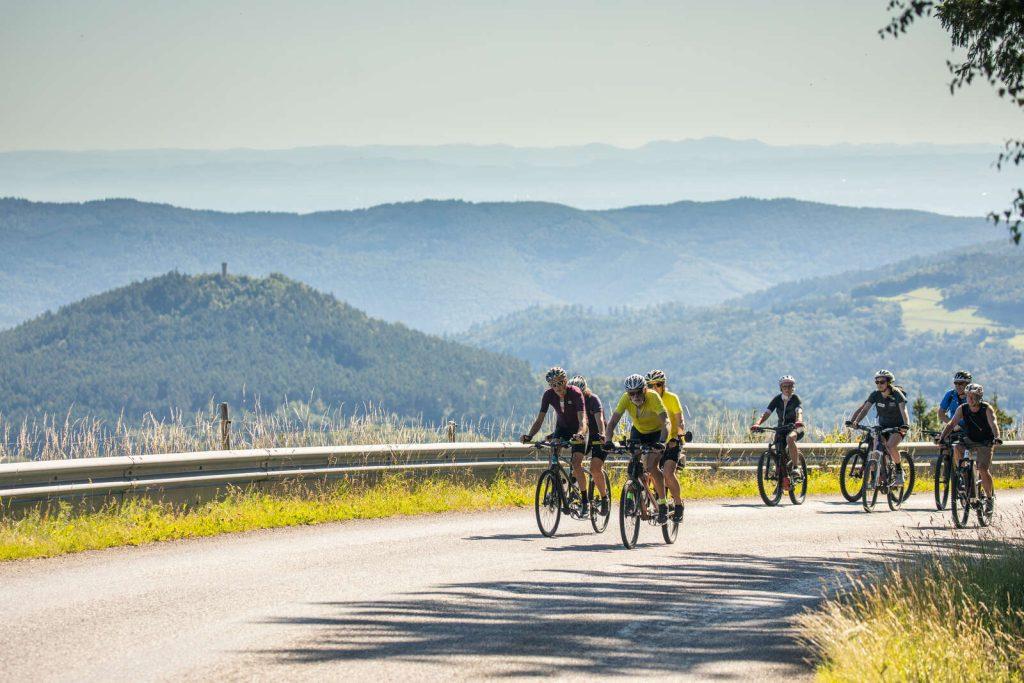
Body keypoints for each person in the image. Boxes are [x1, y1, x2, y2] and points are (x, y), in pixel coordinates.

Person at [521, 367, 590, 512]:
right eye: (553, 384)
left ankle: (585, 501)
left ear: (565, 381)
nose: (557, 387)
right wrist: (530, 436)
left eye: (560, 383)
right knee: (553, 454)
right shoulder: (548, 395)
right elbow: (540, 419)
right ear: (550, 386)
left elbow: (583, 419)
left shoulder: (576, 393)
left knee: (576, 464)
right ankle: (555, 479)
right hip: (562, 429)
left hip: (578, 431)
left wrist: (581, 434)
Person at [604, 373, 671, 524]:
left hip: (656, 433)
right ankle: (630, 498)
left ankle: (662, 504)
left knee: (652, 466)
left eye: (638, 392)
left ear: (645, 390)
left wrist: (662, 441)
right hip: (639, 432)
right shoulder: (625, 399)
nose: (635, 396)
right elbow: (613, 421)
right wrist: (608, 441)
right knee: (633, 465)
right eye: (631, 393)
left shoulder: (653, 397)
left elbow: (665, 421)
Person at [937, 382, 1001, 514]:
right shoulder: (962, 408)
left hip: (984, 443)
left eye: (973, 396)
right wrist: (942, 437)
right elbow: (951, 423)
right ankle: (963, 473)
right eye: (968, 396)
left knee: (982, 469)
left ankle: (989, 499)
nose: (970, 399)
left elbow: (993, 424)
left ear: (979, 397)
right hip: (969, 440)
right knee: (957, 447)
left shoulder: (986, 408)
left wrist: (997, 437)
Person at [846, 369, 910, 487]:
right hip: (882, 426)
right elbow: (865, 409)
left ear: (889, 383)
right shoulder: (875, 394)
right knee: (875, 450)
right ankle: (874, 478)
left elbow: (903, 409)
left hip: (898, 427)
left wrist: (905, 424)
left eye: (882, 382)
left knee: (891, 446)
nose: (879, 384)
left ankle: (899, 472)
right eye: (877, 382)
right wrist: (856, 422)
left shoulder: (896, 394)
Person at [750, 375, 805, 490]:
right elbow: (766, 413)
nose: (787, 388)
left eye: (790, 386)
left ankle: (796, 467)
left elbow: (799, 411)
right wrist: (757, 424)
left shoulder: (796, 399)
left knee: (790, 439)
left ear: (793, 387)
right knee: (778, 451)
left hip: (795, 427)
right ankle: (782, 478)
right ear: (781, 388)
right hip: (781, 429)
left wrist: (799, 421)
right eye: (784, 386)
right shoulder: (777, 399)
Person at [645, 370, 686, 522]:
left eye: (658, 384)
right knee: (647, 470)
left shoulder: (671, 398)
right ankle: (651, 502)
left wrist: (677, 436)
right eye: (650, 385)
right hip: (656, 441)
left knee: (668, 473)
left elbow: (680, 420)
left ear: (663, 385)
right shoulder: (646, 400)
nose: (654, 388)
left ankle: (678, 504)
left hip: (672, 442)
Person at [568, 375, 610, 515]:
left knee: (595, 468)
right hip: (583, 436)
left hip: (598, 436)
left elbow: (600, 420)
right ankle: (578, 494)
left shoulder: (593, 400)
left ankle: (604, 499)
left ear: (584, 390)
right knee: (575, 462)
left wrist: (603, 435)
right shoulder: (572, 401)